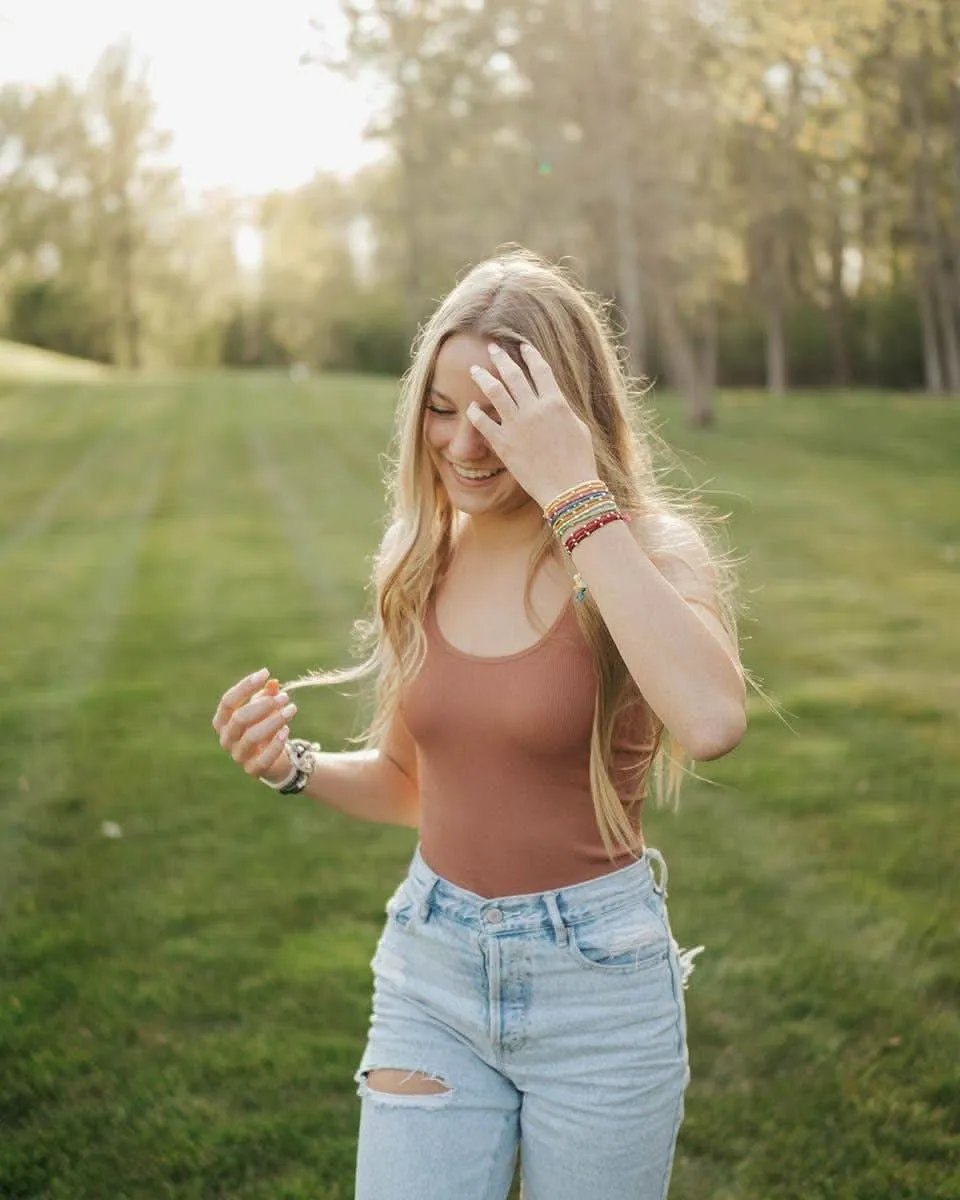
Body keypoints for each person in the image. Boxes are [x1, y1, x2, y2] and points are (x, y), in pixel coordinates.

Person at [212, 248, 748, 1200]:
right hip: (432, 968)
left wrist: (575, 497)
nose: (461, 445)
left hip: (600, 986)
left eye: (497, 415)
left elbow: (711, 719)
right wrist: (290, 766)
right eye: (442, 408)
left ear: (563, 418)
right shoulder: (420, 559)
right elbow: (411, 784)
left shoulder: (645, 551)